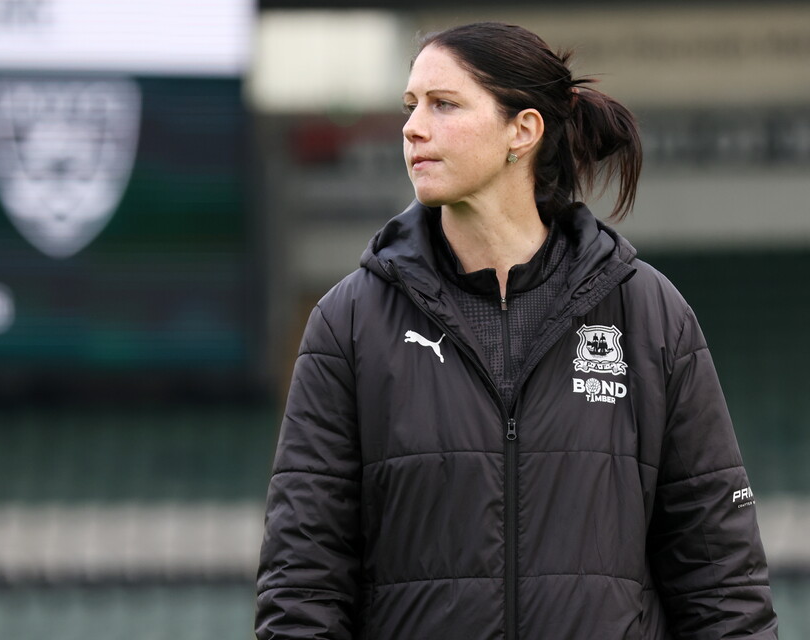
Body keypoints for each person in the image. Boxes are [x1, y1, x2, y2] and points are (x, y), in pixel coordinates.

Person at [256, 21, 777, 640]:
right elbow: (303, 581)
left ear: (522, 131)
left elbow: (720, 578)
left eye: (444, 104)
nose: (413, 127)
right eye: (410, 105)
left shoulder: (649, 315)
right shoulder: (347, 323)